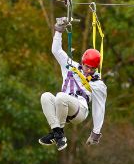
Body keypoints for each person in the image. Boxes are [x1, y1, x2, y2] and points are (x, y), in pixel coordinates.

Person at [38, 16, 107, 150]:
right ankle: (57, 132)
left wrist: (96, 132)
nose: (88, 70)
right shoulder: (71, 66)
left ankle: (59, 133)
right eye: (87, 66)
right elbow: (56, 50)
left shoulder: (98, 84)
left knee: (60, 97)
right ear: (82, 62)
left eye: (92, 68)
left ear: (96, 68)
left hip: (79, 110)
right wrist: (59, 30)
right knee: (45, 96)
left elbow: (99, 107)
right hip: (61, 106)